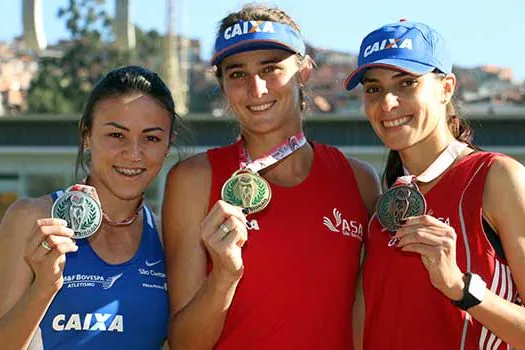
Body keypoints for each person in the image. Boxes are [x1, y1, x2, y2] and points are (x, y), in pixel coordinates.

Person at [162, 4, 380, 349]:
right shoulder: (194, 180)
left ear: (304, 71)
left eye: (271, 68)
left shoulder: (360, 181)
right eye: (237, 74)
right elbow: (185, 344)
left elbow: (364, 321)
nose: (257, 88)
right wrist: (223, 278)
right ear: (221, 85)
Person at [345, 20, 525, 349]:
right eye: (374, 88)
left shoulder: (497, 178)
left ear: (446, 88)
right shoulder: (381, 210)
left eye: (406, 83)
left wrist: (459, 286)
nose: (387, 103)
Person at [0, 65, 182, 349]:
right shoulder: (33, 218)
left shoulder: (167, 237)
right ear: (87, 135)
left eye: (151, 138)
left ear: (168, 145)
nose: (133, 153)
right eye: (116, 135)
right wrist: (44, 287)